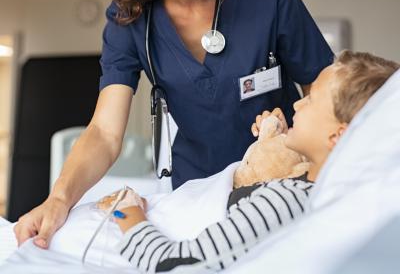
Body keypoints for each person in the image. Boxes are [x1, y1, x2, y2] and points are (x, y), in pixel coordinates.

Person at [14, 0, 333, 248]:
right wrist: (60, 198)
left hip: (281, 183)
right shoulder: (129, 20)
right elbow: (104, 132)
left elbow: (324, 89)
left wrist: (327, 164)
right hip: (196, 194)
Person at [98, 51, 398, 273]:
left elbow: (177, 266)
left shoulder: (286, 200)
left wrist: (127, 212)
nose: (296, 104)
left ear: (338, 135)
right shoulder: (309, 189)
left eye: (311, 100)